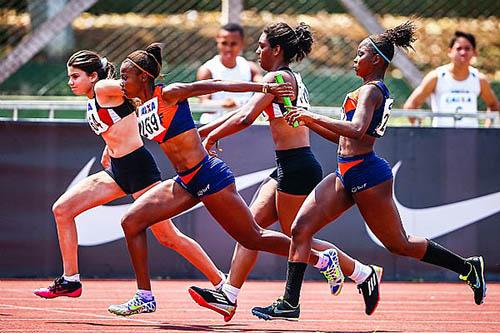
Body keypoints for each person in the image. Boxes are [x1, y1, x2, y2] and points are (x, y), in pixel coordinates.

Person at [252, 21, 487, 322]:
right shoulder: (364, 90)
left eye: (360, 53)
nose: (354, 59)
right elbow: (343, 138)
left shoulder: (372, 91)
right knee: (299, 229)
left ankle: (467, 268)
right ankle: (289, 302)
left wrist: (311, 115)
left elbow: (357, 129)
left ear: (376, 59)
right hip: (345, 173)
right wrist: (310, 122)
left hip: (367, 175)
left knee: (398, 243)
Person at [107, 42, 343, 316]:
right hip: (184, 182)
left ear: (143, 77)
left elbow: (218, 85)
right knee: (131, 221)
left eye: (125, 77)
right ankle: (144, 296)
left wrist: (264, 89)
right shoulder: (141, 107)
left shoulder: (169, 93)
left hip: (209, 176)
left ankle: (321, 259)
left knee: (254, 238)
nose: (121, 83)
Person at [188, 22, 377, 321]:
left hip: (298, 167)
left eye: (262, 46)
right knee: (250, 228)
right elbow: (242, 111)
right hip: (287, 165)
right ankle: (228, 295)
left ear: (277, 49)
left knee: (298, 240)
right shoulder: (285, 76)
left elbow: (247, 117)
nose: (258, 51)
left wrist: (211, 136)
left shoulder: (277, 76)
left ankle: (361, 272)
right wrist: (206, 131)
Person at [34, 50, 227, 310]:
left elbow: (137, 88)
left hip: (138, 169)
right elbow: (125, 114)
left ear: (93, 77)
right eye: (69, 76)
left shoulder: (103, 87)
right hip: (117, 170)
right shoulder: (96, 95)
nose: (70, 82)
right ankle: (71, 280)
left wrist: (151, 80)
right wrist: (109, 146)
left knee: (169, 237)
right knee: (63, 210)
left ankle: (220, 283)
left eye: (76, 76)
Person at [404, 31, 499, 128]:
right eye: (459, 48)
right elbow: (411, 105)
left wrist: (487, 131)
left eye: (467, 48)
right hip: (441, 139)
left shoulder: (479, 79)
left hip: (470, 139)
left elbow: (494, 106)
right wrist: (421, 131)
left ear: (474, 52)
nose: (463, 52)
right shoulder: (436, 77)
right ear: (450, 51)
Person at [197, 23, 262, 124]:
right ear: (217, 41)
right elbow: (204, 103)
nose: (228, 48)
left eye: (233, 44)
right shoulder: (207, 70)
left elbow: (264, 88)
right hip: (213, 125)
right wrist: (225, 104)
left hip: (243, 125)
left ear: (242, 43)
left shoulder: (250, 68)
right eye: (224, 43)